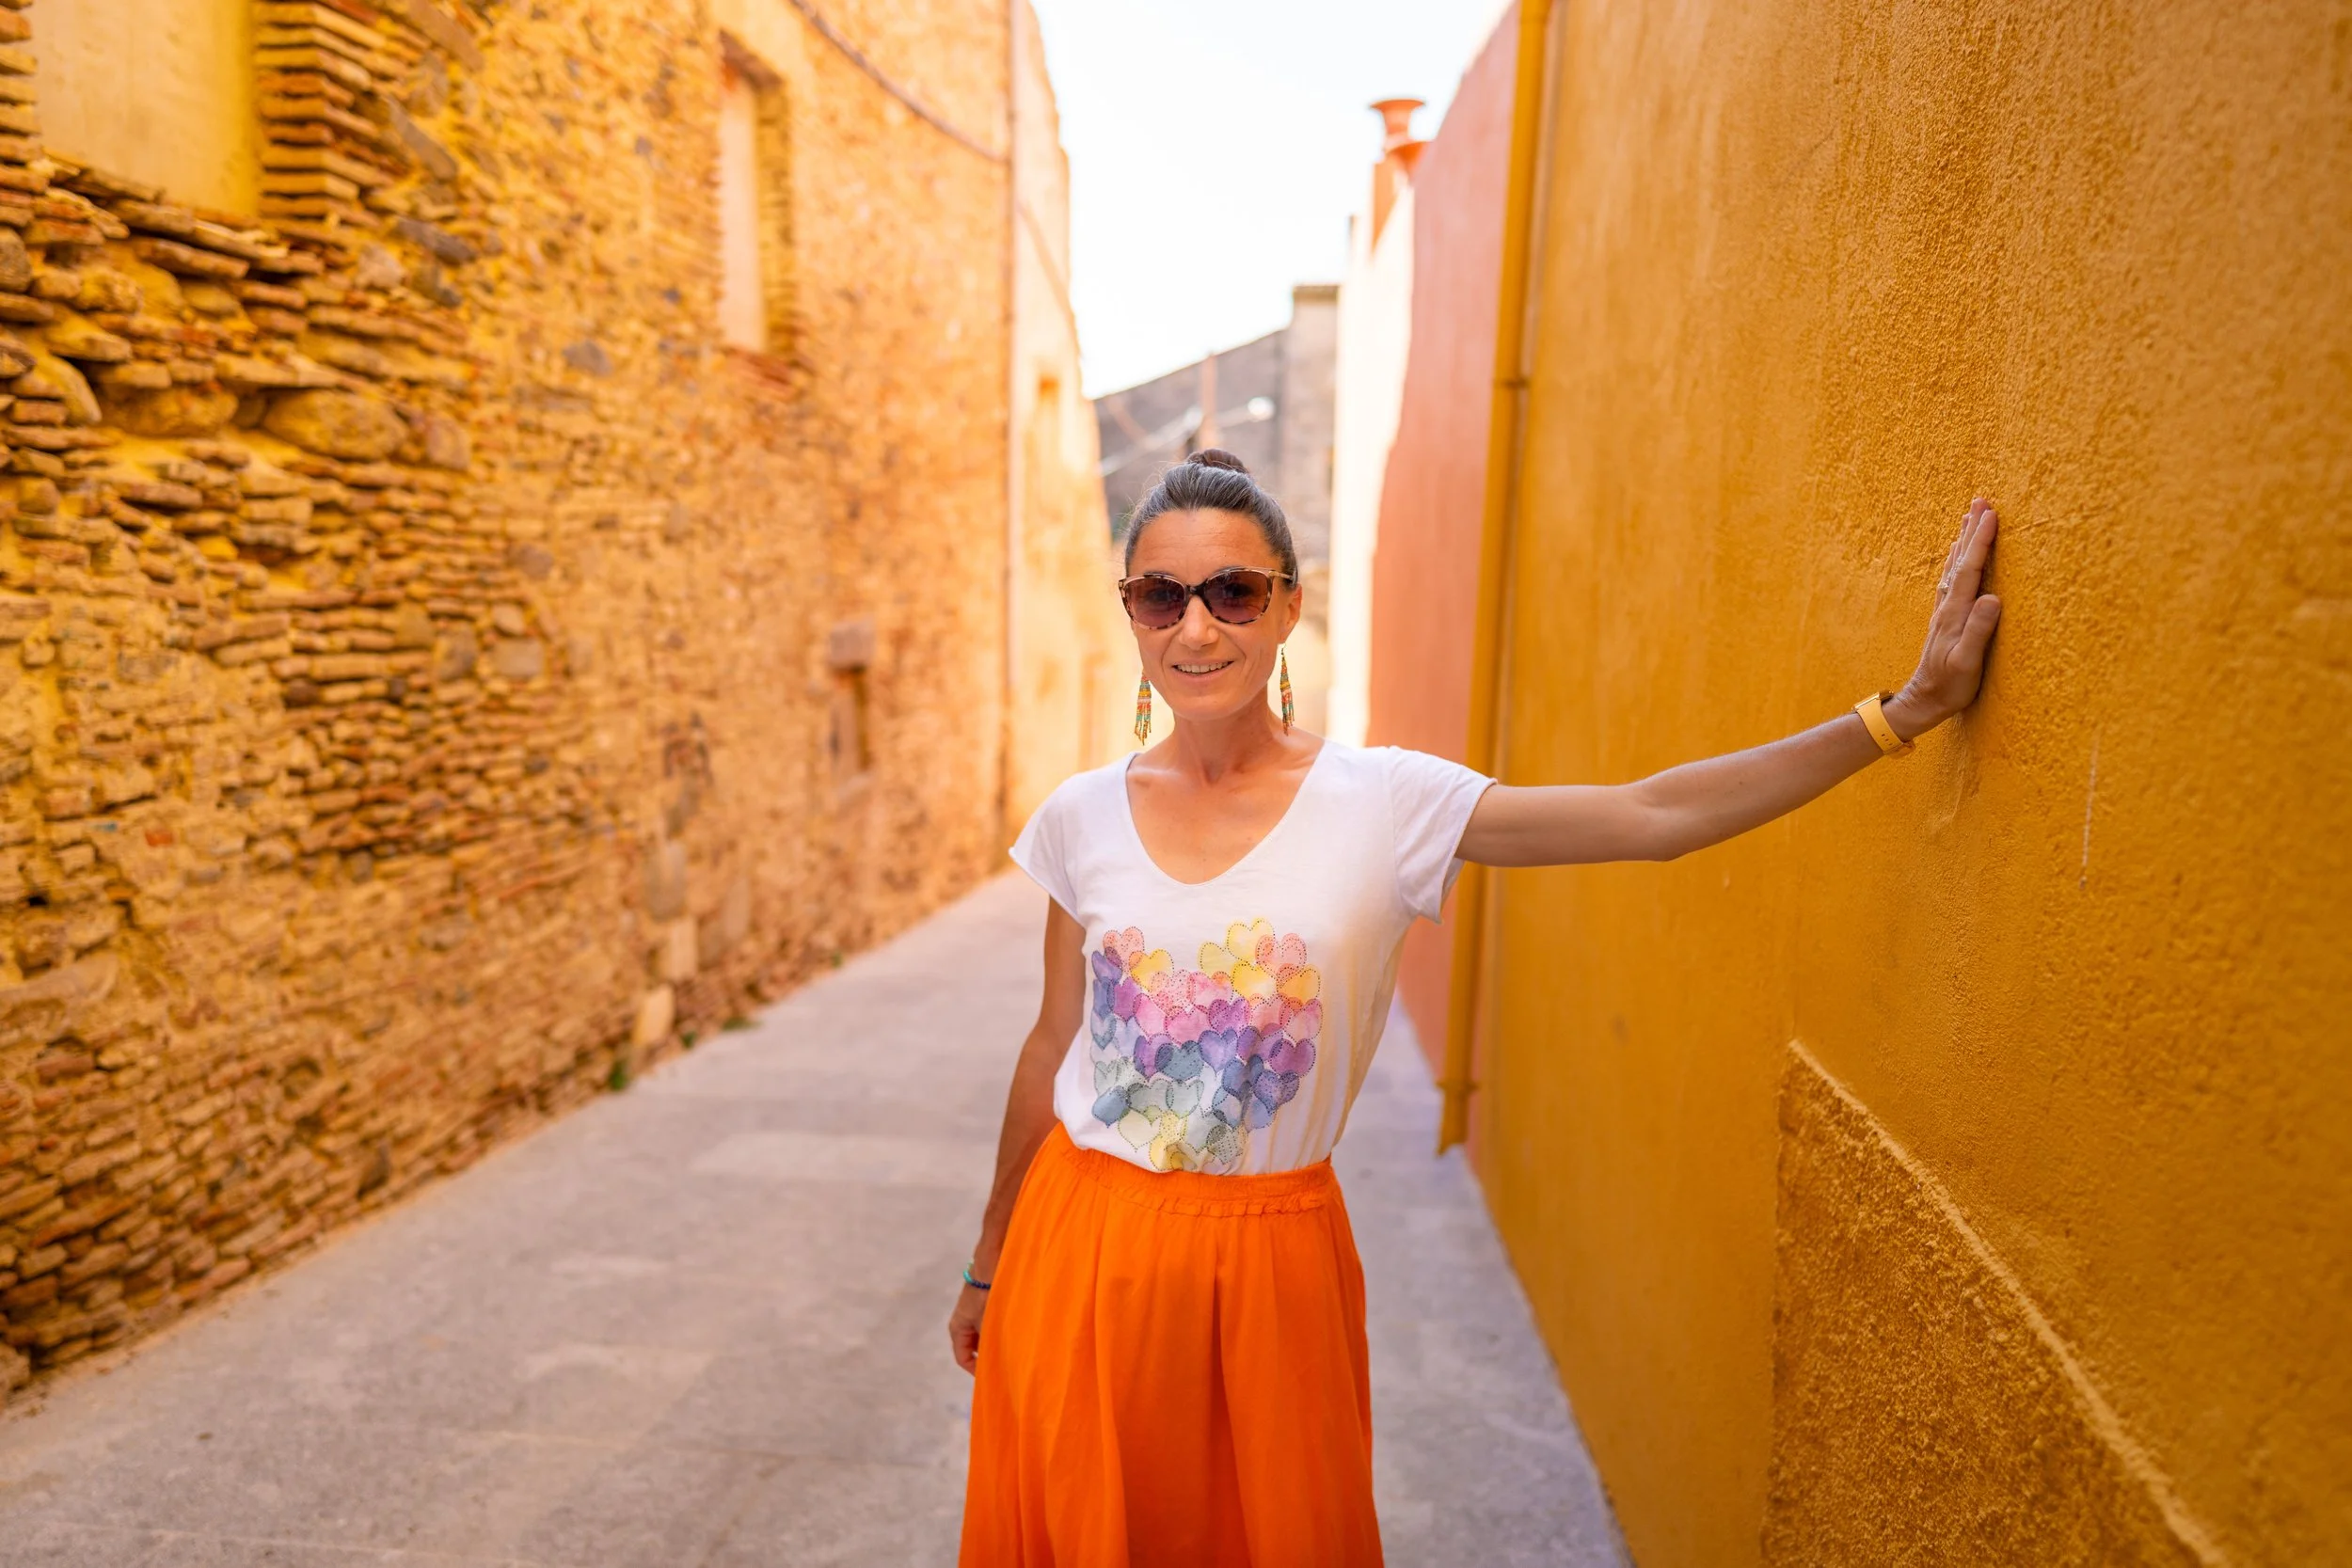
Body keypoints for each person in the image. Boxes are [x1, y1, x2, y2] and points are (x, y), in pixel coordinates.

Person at [951, 449, 2002, 1565]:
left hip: (1270, 1267)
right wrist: (987, 1260)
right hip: (1079, 1243)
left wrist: (1900, 713)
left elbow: (1650, 816)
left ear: (1288, 605)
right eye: (1159, 595)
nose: (1195, 628)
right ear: (1132, 614)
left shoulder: (1385, 802)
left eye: (1233, 592)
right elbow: (1053, 1044)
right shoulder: (1080, 816)